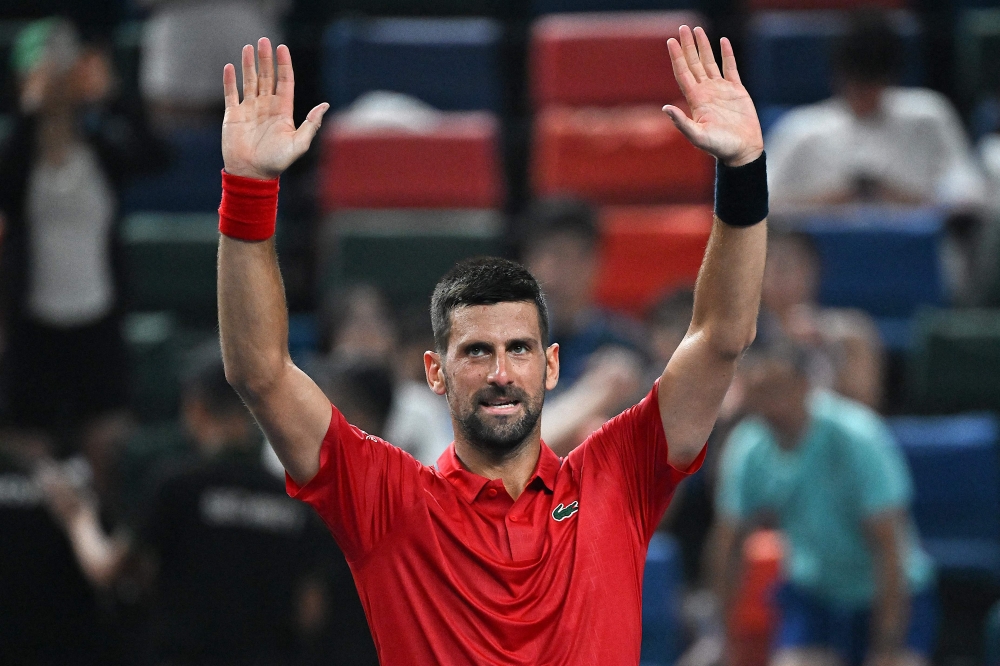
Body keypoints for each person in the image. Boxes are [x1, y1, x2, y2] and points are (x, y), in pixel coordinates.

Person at [217, 26, 767, 664]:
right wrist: (250, 189)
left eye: (521, 349)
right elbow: (259, 373)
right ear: (435, 372)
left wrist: (744, 172)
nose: (501, 371)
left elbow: (722, 337)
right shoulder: (388, 502)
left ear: (553, 365)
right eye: (476, 352)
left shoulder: (617, 477)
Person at [39, 350, 327, 666]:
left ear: (195, 408)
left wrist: (78, 517)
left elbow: (110, 570)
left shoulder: (178, 487)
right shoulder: (296, 499)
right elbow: (309, 611)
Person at [708, 338, 936, 666]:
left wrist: (887, 644)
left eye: (777, 390)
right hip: (814, 597)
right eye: (758, 393)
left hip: (891, 595)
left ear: (803, 386)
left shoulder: (857, 437)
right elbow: (728, 544)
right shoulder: (747, 449)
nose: (769, 406)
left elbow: (888, 547)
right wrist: (723, 637)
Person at [0, 19, 165, 453]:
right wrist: (31, 108)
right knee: (28, 442)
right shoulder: (15, 152)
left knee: (107, 439)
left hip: (99, 314)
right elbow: (8, 184)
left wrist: (111, 95)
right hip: (31, 321)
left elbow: (156, 155)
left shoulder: (103, 150)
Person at [766, 9, 985, 210]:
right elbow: (757, 204)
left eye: (873, 86)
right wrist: (829, 202)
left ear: (890, 79)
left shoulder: (927, 115)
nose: (864, 97)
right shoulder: (802, 129)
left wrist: (905, 199)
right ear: (838, 78)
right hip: (821, 247)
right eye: (857, 86)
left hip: (913, 244)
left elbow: (972, 195)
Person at [520, 197, 642, 391]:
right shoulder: (507, 341)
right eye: (547, 255)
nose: (555, 271)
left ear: (594, 263)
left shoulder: (623, 344)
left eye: (567, 256)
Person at [760, 231, 885, 411]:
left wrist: (826, 341)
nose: (774, 276)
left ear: (813, 269)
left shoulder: (851, 332)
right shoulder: (739, 338)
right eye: (766, 266)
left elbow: (864, 410)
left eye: (784, 266)